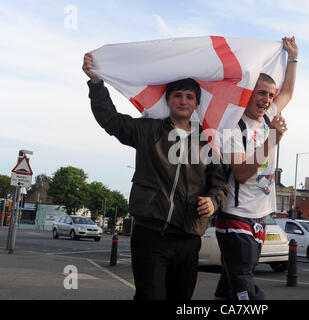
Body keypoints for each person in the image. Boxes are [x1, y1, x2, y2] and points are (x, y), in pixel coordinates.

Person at [82, 53, 228, 300]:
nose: (183, 101)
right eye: (178, 96)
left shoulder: (208, 141)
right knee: (150, 296)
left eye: (189, 96)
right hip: (150, 235)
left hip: (189, 237)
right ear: (169, 100)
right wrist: (96, 84)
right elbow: (111, 121)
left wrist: (213, 201)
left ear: (196, 103)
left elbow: (220, 184)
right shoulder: (148, 131)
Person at [215, 36, 298, 300]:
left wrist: (293, 58)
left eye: (269, 95)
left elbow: (287, 92)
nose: (267, 99)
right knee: (248, 294)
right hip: (236, 218)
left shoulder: (267, 120)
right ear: (249, 93)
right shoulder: (234, 126)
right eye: (261, 92)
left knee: (228, 287)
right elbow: (240, 173)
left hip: (260, 218)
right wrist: (272, 140)